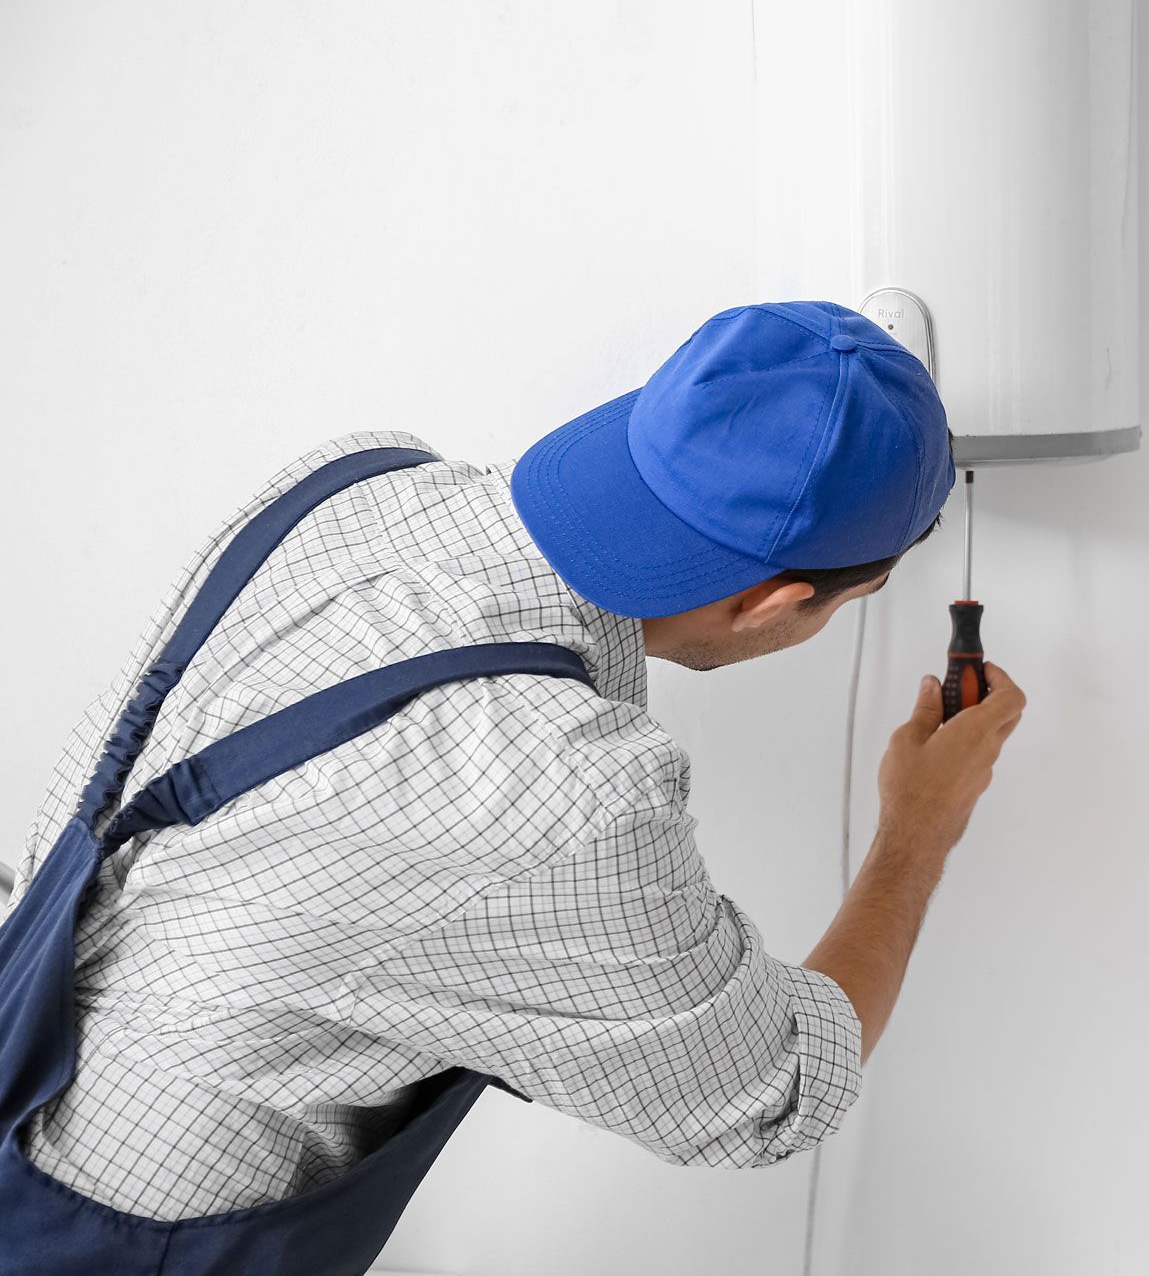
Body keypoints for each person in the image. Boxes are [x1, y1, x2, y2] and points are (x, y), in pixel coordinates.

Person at [0, 299, 1026, 1274]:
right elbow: (774, 1089)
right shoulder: (571, 793)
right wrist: (916, 831)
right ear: (773, 601)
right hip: (117, 1241)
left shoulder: (357, 485)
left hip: (22, 1044)